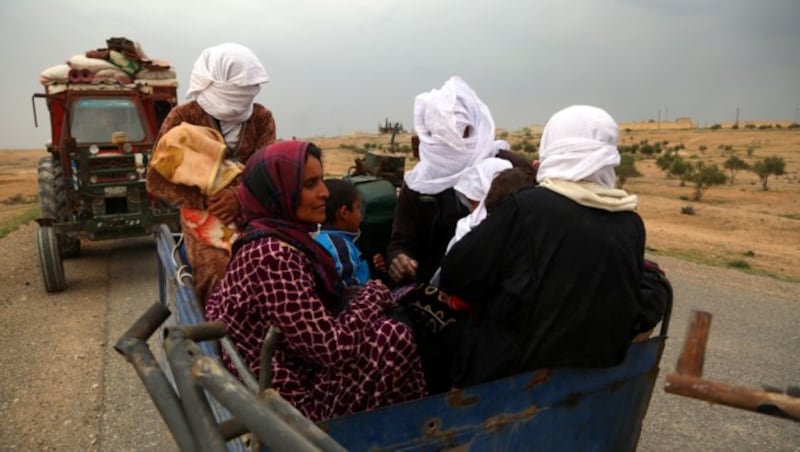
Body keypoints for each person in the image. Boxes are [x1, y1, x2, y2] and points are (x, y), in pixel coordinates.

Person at [205, 141, 426, 421]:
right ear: (280, 192)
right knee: (393, 336)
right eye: (310, 184)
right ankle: (405, 429)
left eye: (321, 180)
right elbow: (332, 347)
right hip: (287, 402)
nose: (324, 193)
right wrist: (374, 292)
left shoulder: (271, 236)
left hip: (276, 370)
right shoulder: (272, 256)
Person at [438, 105, 654, 387]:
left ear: (551, 148)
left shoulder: (528, 208)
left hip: (513, 375)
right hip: (598, 368)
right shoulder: (629, 220)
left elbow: (456, 274)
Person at [146, 42, 276, 304]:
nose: (241, 99)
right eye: (235, 91)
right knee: (217, 269)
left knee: (277, 261)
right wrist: (209, 201)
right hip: (204, 213)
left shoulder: (261, 118)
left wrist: (239, 197)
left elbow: (267, 171)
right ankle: (218, 335)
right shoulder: (183, 117)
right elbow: (157, 180)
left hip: (253, 207)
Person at [387, 76, 533, 285]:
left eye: (457, 133)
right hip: (438, 294)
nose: (451, 142)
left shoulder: (511, 169)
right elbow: (400, 242)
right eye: (441, 136)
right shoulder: (419, 185)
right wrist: (400, 260)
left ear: (472, 126)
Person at [314, 179, 370, 287]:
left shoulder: (321, 240)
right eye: (358, 208)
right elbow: (348, 291)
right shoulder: (339, 247)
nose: (361, 216)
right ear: (344, 212)